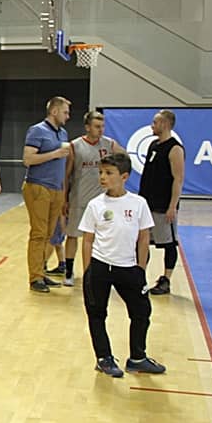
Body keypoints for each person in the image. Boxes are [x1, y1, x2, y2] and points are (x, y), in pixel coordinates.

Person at [80, 153, 165, 377]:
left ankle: (137, 357)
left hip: (128, 268)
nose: (102, 177)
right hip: (100, 267)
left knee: (141, 312)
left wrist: (141, 268)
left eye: (109, 173)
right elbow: (87, 240)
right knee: (97, 314)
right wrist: (88, 271)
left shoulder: (138, 203)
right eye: (101, 172)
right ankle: (104, 358)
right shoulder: (95, 205)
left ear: (124, 176)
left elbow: (144, 237)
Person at [63, 111, 123, 287]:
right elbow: (66, 175)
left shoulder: (109, 144)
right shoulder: (75, 146)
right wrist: (64, 198)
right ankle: (69, 271)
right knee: (73, 235)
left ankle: (97, 272)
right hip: (79, 198)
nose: (101, 129)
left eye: (102, 126)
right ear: (87, 127)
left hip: (103, 202)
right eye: (97, 126)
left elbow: (125, 160)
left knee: (102, 237)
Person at [22, 96, 71, 293]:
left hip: (56, 188)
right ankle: (35, 277)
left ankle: (41, 272)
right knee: (39, 233)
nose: (68, 116)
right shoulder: (37, 130)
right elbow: (28, 159)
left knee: (49, 234)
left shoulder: (63, 133)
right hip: (38, 186)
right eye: (65, 112)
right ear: (54, 111)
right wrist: (54, 154)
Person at [138, 109, 185, 296]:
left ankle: (166, 280)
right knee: (142, 241)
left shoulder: (175, 149)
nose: (152, 126)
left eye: (155, 122)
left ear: (164, 124)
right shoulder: (153, 145)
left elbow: (178, 179)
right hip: (146, 204)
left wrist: (172, 206)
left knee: (169, 243)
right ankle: (139, 275)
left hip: (163, 206)